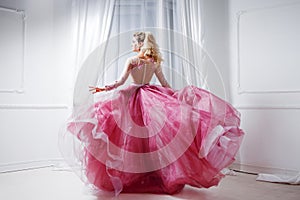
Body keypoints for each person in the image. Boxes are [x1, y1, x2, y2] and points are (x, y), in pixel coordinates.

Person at [60, 31, 244, 196]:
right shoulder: (154, 62)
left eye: (134, 42)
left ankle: (134, 175)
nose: (132, 45)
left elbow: (120, 81)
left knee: (129, 136)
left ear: (140, 44)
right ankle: (154, 173)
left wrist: (103, 88)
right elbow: (164, 83)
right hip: (151, 95)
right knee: (151, 138)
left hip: (131, 95)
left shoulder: (132, 61)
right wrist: (176, 96)